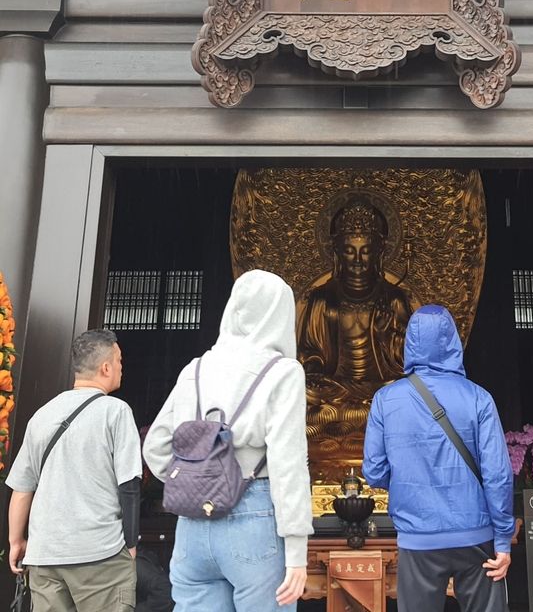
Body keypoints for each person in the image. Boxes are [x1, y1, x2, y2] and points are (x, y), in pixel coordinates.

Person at [143, 270, 312, 612]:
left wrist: (196, 481)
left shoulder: (195, 368)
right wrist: (297, 551)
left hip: (192, 525)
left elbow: (155, 446)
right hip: (253, 517)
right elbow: (287, 465)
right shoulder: (283, 372)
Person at [363, 303, 514, 612]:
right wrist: (502, 541)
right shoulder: (478, 398)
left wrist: (409, 481)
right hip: (476, 535)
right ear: (453, 342)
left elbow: (374, 472)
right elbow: (498, 475)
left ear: (409, 344)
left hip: (418, 537)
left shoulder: (385, 400)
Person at [6, 329, 141, 611]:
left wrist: (16, 540)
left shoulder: (42, 414)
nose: (120, 367)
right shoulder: (115, 411)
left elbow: (22, 489)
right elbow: (129, 485)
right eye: (119, 361)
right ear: (105, 367)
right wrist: (130, 544)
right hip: (100, 554)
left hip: (45, 556)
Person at [298, 195, 412, 444]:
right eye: (350, 251)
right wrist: (314, 372)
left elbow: (410, 362)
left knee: (406, 396)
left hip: (382, 388)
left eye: (365, 252)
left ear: (379, 252)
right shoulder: (322, 299)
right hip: (335, 394)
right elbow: (310, 353)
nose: (358, 260)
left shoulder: (393, 299)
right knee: (306, 397)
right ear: (337, 252)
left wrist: (386, 336)